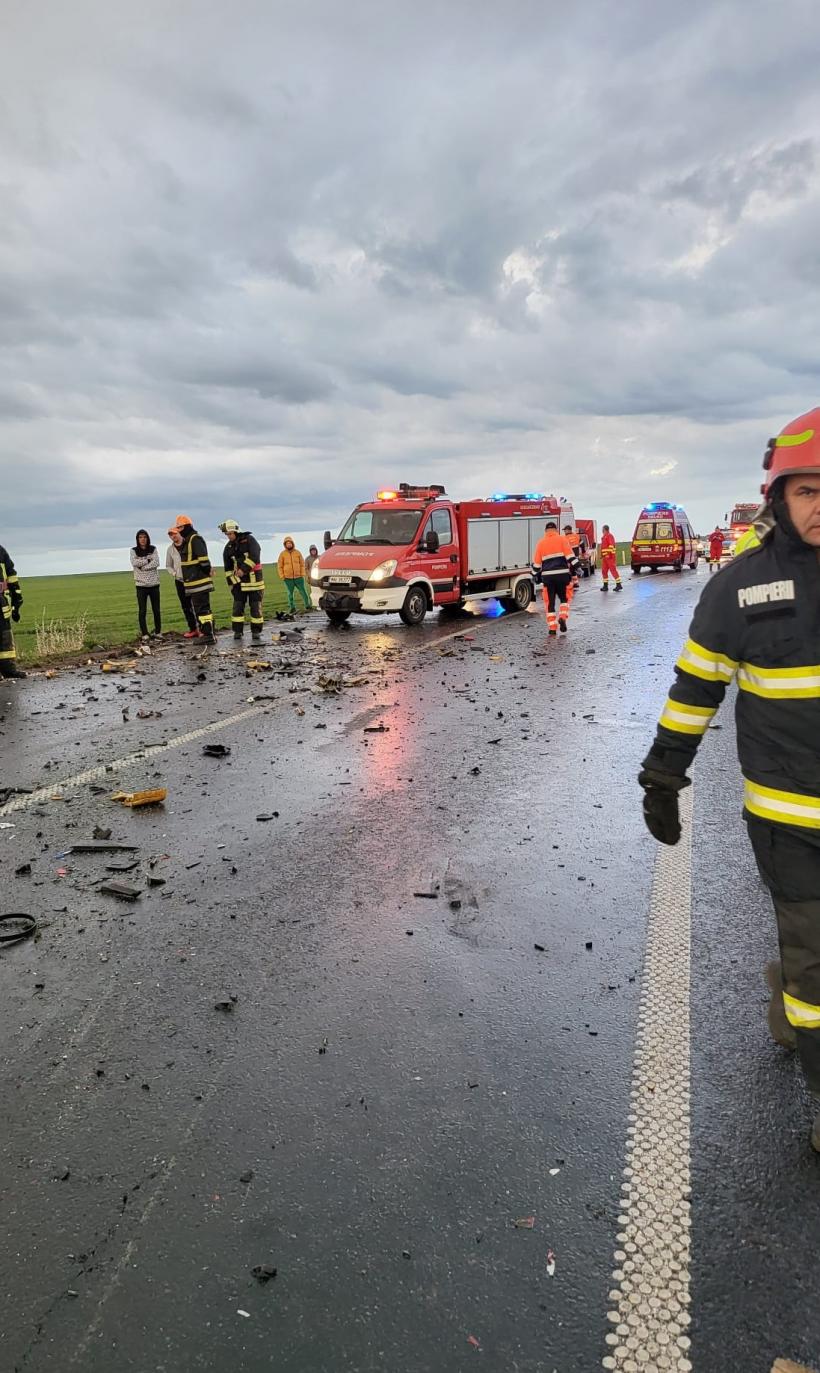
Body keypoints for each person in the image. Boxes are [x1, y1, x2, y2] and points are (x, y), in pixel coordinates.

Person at [639, 406, 820, 1151]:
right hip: (790, 821)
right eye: (808, 490)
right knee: (816, 968)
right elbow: (694, 691)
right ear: (779, 497)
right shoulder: (740, 588)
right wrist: (662, 775)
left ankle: (790, 984)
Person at [219, 519, 265, 642]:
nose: (229, 536)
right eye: (227, 534)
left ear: (236, 531)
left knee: (255, 608)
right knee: (237, 608)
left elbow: (255, 556)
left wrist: (243, 569)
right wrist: (231, 583)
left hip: (254, 581)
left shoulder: (249, 540)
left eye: (230, 534)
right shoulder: (228, 547)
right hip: (238, 584)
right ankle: (237, 631)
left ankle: (256, 632)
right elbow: (228, 568)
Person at [532, 521, 578, 636]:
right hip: (562, 575)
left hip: (548, 578)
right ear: (556, 530)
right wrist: (578, 567)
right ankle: (562, 617)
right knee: (564, 599)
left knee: (550, 602)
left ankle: (552, 628)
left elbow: (537, 564)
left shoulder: (541, 543)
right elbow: (570, 556)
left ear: (546, 531)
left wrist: (533, 575)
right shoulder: (562, 539)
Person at [175, 515, 216, 644]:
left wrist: (206, 571)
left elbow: (203, 560)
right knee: (201, 610)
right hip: (193, 584)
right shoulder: (187, 540)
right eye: (178, 528)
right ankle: (209, 633)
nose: (179, 530)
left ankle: (208, 635)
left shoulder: (195, 539)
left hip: (199, 583)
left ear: (188, 526)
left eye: (181, 527)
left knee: (203, 610)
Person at [165, 527, 199, 637]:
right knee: (186, 606)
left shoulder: (188, 544)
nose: (173, 536)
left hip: (192, 579)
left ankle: (204, 629)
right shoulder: (170, 549)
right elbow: (168, 565)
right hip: (179, 581)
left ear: (180, 533)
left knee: (198, 604)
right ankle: (193, 629)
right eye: (171, 535)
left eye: (175, 533)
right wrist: (174, 573)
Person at [130, 530, 161, 640]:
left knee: (156, 610)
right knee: (142, 610)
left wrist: (143, 567)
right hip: (141, 585)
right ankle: (144, 633)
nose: (142, 539)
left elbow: (156, 562)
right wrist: (148, 560)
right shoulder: (133, 551)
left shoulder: (153, 549)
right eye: (140, 537)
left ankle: (158, 632)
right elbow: (134, 563)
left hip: (154, 584)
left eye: (144, 537)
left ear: (148, 538)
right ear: (137, 539)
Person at [0, 541, 25, 678]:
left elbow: (11, 576)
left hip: (0, 602)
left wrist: (17, 599)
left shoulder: (1, 551)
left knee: (4, 636)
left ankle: (8, 669)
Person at [277, 536, 311, 615]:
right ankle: (292, 608)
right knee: (290, 594)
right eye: (287, 543)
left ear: (292, 544)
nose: (289, 544)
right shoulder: (282, 554)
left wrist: (302, 574)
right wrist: (282, 576)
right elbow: (279, 566)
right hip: (288, 578)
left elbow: (302, 564)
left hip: (299, 577)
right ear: (285, 545)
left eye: (290, 543)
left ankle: (307, 605)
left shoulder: (297, 552)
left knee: (304, 592)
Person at [600, 525, 623, 591]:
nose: (602, 531)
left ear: (605, 529)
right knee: (604, 571)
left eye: (602, 529)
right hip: (605, 557)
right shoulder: (604, 537)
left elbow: (611, 546)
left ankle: (619, 585)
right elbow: (603, 547)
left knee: (613, 570)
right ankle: (605, 586)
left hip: (610, 557)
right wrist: (602, 555)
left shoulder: (609, 536)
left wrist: (609, 554)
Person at [563, 524, 582, 601]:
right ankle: (576, 583)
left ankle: (570, 585)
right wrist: (583, 552)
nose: (564, 531)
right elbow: (582, 544)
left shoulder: (565, 538)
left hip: (569, 557)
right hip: (576, 557)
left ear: (568, 530)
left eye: (565, 530)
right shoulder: (577, 536)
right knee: (573, 570)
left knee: (570, 570)